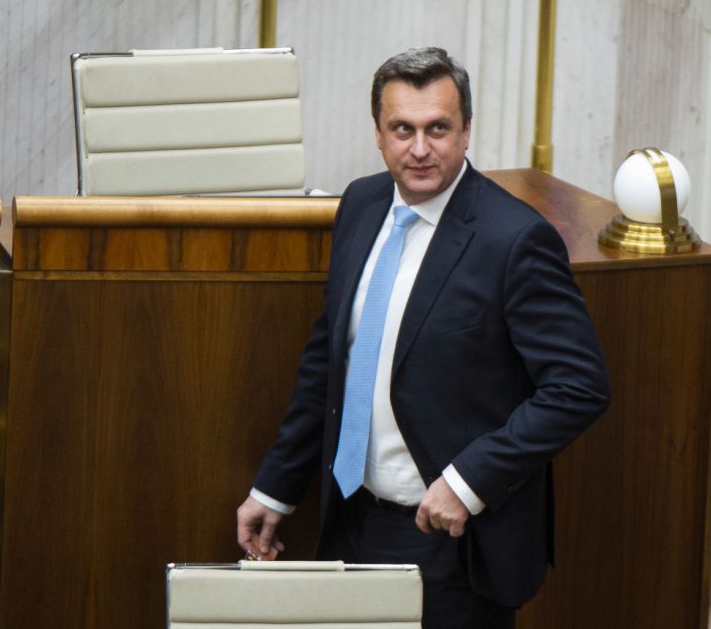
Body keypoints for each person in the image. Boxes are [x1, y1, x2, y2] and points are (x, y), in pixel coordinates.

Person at [237, 46, 610, 628]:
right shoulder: (361, 204)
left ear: (466, 132)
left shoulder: (514, 240)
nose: (419, 149)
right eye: (402, 129)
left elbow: (579, 387)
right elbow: (330, 361)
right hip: (349, 521)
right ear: (378, 134)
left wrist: (468, 482)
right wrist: (277, 487)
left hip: (450, 540)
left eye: (438, 128)